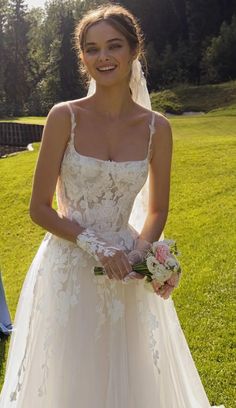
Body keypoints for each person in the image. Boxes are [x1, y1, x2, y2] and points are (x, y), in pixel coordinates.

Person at [0, 3, 224, 407]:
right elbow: (39, 208)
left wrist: (141, 254)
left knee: (131, 376)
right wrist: (95, 244)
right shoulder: (62, 117)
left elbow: (157, 209)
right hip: (69, 269)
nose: (102, 57)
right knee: (71, 375)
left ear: (134, 50)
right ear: (82, 56)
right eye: (91, 48)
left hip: (127, 271)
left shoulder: (158, 128)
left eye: (113, 46)